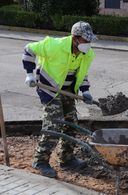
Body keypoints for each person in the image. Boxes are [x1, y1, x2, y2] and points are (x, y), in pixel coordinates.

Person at [22, 21, 97, 178]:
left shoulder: (87, 54)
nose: (88, 44)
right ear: (75, 38)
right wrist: (29, 73)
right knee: (54, 123)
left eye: (90, 41)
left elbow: (82, 74)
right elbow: (28, 49)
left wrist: (86, 91)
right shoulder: (54, 45)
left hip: (68, 90)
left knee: (72, 123)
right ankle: (40, 161)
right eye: (86, 40)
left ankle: (66, 158)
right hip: (49, 88)